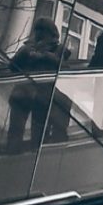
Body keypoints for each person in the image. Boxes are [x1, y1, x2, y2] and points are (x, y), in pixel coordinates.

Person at [6, 18, 67, 153]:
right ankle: (13, 157)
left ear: (50, 33)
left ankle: (24, 157)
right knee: (18, 131)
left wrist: (45, 56)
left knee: (37, 133)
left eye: (42, 31)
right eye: (38, 30)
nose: (39, 34)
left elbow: (64, 67)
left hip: (40, 96)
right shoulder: (27, 47)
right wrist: (25, 53)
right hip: (25, 95)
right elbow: (12, 66)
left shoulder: (59, 49)